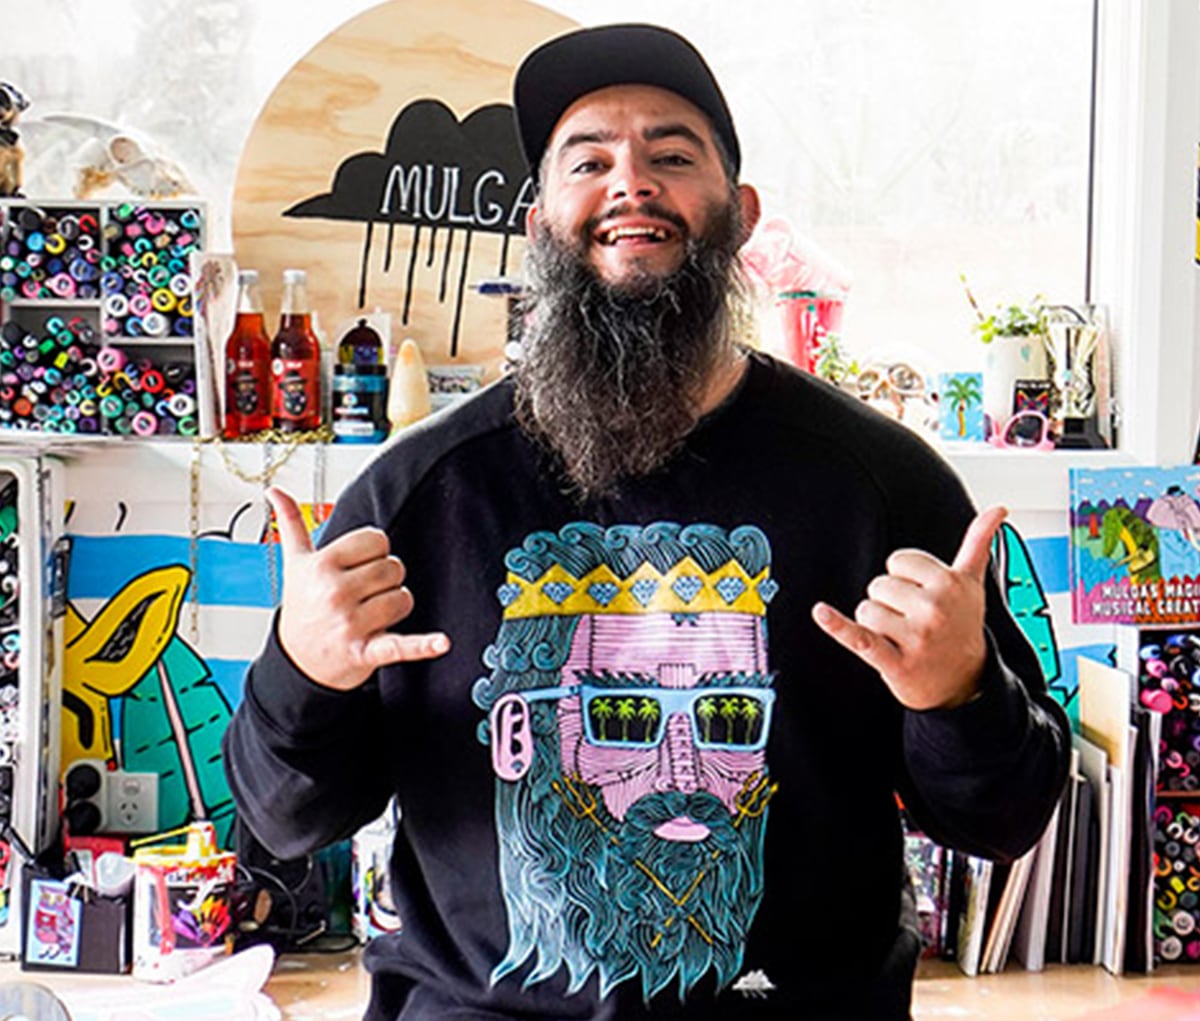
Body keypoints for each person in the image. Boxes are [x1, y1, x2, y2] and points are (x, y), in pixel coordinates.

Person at [224, 23, 1070, 1020]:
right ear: (541, 224)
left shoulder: (881, 486)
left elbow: (1005, 818)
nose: (631, 182)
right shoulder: (422, 492)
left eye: (672, 155)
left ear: (740, 217)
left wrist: (959, 692)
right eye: (590, 162)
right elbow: (284, 820)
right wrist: (303, 671)